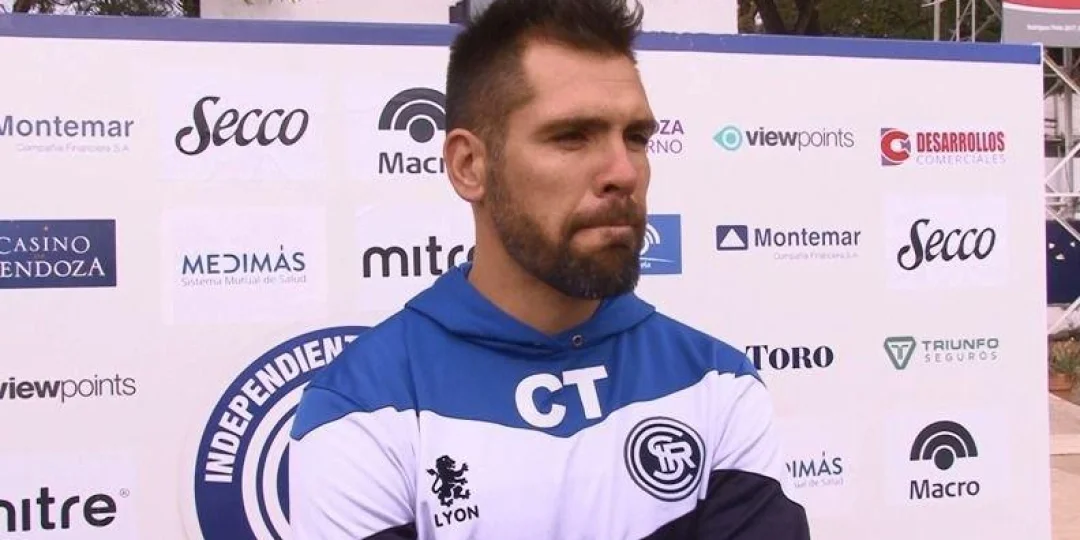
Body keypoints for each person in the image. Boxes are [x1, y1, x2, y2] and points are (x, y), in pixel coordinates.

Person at [288, 0, 812, 538]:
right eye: (571, 136)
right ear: (469, 165)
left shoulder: (716, 383)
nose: (623, 172)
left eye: (635, 137)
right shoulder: (360, 411)